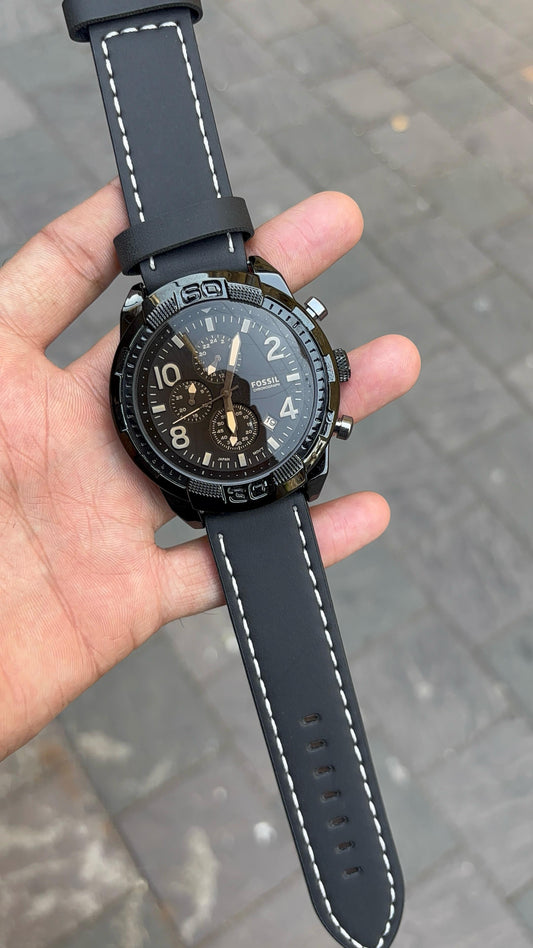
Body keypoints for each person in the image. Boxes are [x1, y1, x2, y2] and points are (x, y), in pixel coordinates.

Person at [0, 181, 420, 760]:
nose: (229, 393)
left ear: (331, 369)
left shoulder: (218, 322)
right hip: (217, 477)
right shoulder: (157, 349)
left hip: (274, 460)